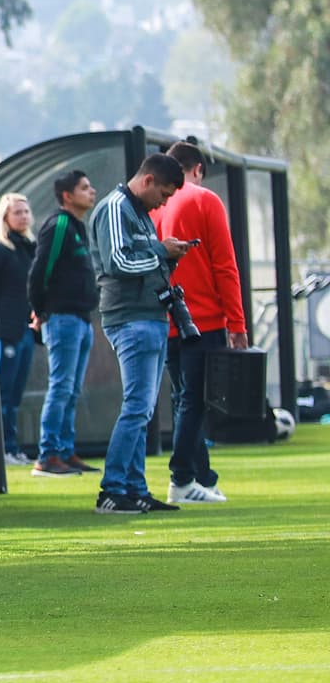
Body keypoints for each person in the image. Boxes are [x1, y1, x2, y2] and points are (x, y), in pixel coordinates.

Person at [91, 153, 192, 514]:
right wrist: (160, 250)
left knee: (142, 410)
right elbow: (117, 262)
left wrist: (168, 256)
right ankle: (112, 490)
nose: (163, 203)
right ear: (148, 180)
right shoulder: (116, 207)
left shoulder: (139, 212)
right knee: (136, 408)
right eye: (163, 194)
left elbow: (140, 259)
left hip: (148, 316)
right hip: (130, 318)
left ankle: (135, 489)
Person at [152, 140, 246, 503]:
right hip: (203, 320)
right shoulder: (204, 200)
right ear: (198, 170)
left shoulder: (153, 205)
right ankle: (181, 478)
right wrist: (236, 323)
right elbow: (225, 265)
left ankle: (203, 479)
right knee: (195, 401)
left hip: (166, 319)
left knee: (184, 401)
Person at [28, 170, 100, 477]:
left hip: (81, 319)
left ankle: (66, 451)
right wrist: (40, 310)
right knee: (60, 387)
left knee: (72, 390)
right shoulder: (59, 224)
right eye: (84, 188)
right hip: (62, 319)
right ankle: (47, 456)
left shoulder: (78, 226)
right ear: (67, 196)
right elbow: (40, 271)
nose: (91, 191)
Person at [0, 192, 36, 466]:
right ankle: (2, 449)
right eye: (17, 212)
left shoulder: (28, 247)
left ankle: (13, 446)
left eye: (26, 211)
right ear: (5, 217)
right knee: (3, 393)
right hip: (5, 332)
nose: (23, 216)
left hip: (25, 331)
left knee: (16, 393)